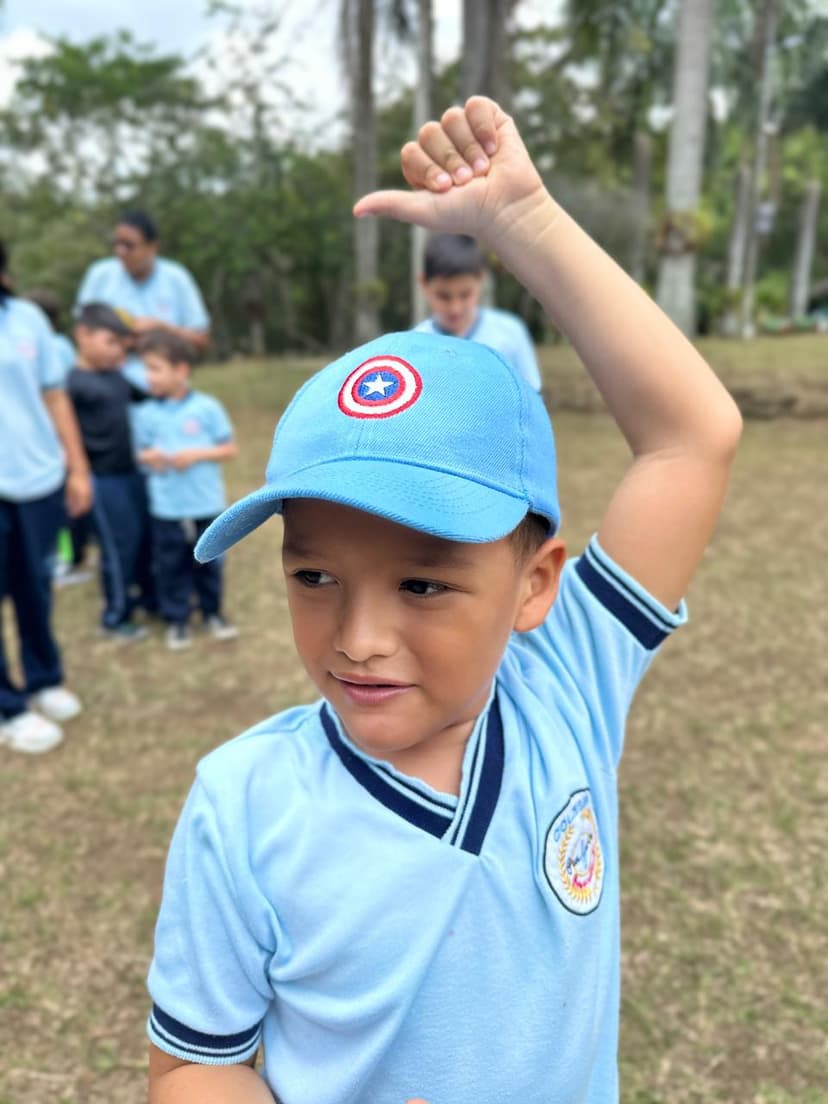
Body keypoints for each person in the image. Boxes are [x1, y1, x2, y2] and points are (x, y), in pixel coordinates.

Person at [145, 98, 742, 1103]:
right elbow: (197, 1063)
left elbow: (694, 437)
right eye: (313, 576)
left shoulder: (569, 688)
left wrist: (524, 227)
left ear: (534, 586)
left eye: (424, 582)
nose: (359, 637)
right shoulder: (243, 804)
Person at [0, 243, 93, 755]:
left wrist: (77, 468)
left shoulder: (27, 318)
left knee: (35, 584)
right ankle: (7, 708)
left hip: (37, 478)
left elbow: (54, 395)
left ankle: (42, 678)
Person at [132, 330, 238, 651]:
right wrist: (149, 457)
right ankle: (177, 620)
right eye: (145, 368)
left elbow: (228, 449)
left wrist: (195, 454)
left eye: (155, 368)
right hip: (167, 506)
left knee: (209, 560)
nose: (147, 376)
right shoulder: (145, 413)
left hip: (205, 503)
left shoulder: (207, 407)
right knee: (170, 564)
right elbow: (139, 455)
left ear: (181, 370)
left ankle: (212, 613)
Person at [66, 303, 151, 641]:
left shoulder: (117, 377)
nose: (118, 352)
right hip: (100, 479)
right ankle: (115, 617)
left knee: (141, 537)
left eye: (123, 345)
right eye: (110, 342)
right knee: (118, 547)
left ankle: (146, 598)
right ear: (82, 335)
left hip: (132, 472)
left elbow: (151, 397)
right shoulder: (71, 385)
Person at [75, 210, 210, 391]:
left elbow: (201, 341)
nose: (120, 252)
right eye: (117, 244)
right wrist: (121, 339)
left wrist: (161, 329)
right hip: (108, 390)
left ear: (152, 247)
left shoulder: (177, 278)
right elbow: (82, 334)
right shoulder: (100, 275)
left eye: (129, 245)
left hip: (165, 393)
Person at [414, 231, 543, 391]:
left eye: (465, 294)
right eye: (443, 296)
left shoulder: (510, 334)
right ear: (423, 284)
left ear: (481, 279)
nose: (455, 308)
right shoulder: (414, 346)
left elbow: (533, 399)